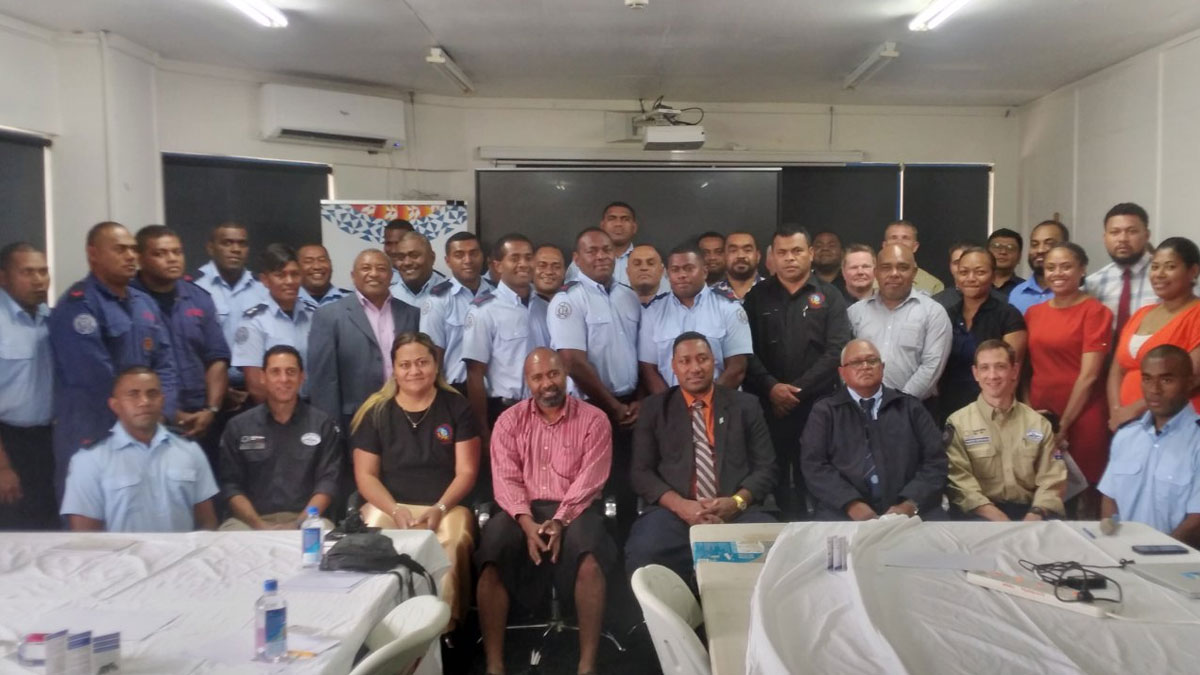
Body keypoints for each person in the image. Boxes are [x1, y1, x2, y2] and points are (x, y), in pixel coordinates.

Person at [475, 348, 615, 675]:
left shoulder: (594, 419)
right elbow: (506, 479)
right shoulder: (509, 421)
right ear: (527, 382)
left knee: (589, 559)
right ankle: (494, 664)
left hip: (575, 509)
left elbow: (591, 479)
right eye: (537, 377)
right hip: (521, 510)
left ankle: (586, 665)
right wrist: (526, 524)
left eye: (553, 374)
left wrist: (560, 519)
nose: (547, 383)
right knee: (492, 551)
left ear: (564, 374)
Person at [352, 332, 480, 630]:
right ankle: (378, 626)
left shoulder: (457, 407)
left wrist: (440, 507)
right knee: (372, 529)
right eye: (405, 365)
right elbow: (365, 476)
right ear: (394, 369)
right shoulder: (376, 411)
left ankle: (442, 628)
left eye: (422, 362)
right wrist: (395, 510)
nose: (414, 371)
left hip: (445, 506)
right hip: (391, 505)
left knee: (456, 538)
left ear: (435, 365)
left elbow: (467, 472)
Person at [626, 332, 777, 584]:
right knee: (644, 551)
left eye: (702, 359)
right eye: (685, 361)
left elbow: (767, 468)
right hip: (674, 512)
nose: (695, 368)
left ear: (713, 361)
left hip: (739, 510)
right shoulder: (654, 408)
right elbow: (641, 473)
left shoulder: (746, 405)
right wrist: (682, 507)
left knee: (771, 550)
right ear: (673, 367)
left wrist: (736, 502)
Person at [49, 222, 178, 495]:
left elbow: (165, 363)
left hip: (147, 431)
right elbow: (95, 377)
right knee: (90, 514)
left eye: (133, 249)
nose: (131, 256)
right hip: (95, 432)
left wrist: (161, 413)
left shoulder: (144, 302)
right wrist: (140, 415)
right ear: (93, 254)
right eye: (120, 249)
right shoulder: (79, 305)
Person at [742, 224, 851, 518]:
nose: (790, 258)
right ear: (772, 257)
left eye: (797, 251)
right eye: (782, 252)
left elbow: (837, 351)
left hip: (816, 406)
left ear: (811, 253)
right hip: (768, 406)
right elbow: (745, 350)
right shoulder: (756, 296)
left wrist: (795, 392)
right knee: (771, 480)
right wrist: (772, 388)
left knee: (815, 478)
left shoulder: (830, 296)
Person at [549, 227, 642, 534]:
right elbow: (572, 361)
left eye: (606, 250)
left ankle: (626, 549)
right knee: (591, 489)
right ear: (577, 258)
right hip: (589, 408)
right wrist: (613, 406)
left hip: (631, 407)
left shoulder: (629, 296)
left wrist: (639, 400)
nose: (601, 256)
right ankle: (594, 550)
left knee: (629, 485)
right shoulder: (568, 300)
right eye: (592, 251)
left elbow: (641, 354)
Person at [800, 339, 947, 520]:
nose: (865, 367)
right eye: (856, 362)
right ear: (842, 372)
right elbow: (814, 466)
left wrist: (910, 504)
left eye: (872, 361)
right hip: (842, 511)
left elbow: (936, 462)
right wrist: (851, 504)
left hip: (910, 511)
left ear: (882, 367)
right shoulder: (825, 411)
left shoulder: (910, 407)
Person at [60, 367, 218, 532]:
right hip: (118, 550)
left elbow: (207, 524)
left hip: (182, 549)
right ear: (115, 405)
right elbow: (85, 536)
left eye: (152, 394)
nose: (145, 402)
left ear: (162, 400)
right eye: (133, 394)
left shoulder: (189, 450)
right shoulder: (89, 460)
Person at [462, 234, 551, 500]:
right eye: (515, 258)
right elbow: (475, 374)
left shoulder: (545, 306)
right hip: (505, 411)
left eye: (528, 257)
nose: (524, 264)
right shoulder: (484, 311)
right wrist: (483, 430)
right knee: (508, 491)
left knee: (543, 486)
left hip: (546, 411)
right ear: (497, 265)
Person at [131, 226, 230, 463]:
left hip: (202, 419)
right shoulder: (128, 301)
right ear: (140, 259)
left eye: (177, 252)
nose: (172, 259)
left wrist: (211, 410)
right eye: (161, 253)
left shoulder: (199, 297)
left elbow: (216, 359)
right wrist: (170, 413)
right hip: (148, 420)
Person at [1025, 243, 1112, 505]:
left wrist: (1063, 426)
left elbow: (1089, 376)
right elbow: (1026, 369)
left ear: (1082, 269)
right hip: (1041, 413)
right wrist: (1029, 413)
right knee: (1044, 489)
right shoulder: (1033, 313)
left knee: (1084, 493)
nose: (1057, 273)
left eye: (1066, 267)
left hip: (1083, 414)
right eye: (1051, 267)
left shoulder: (1095, 312)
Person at [219, 346, 341, 530]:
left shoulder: (322, 425)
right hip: (248, 521)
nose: (284, 379)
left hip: (307, 519)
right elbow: (230, 486)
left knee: (324, 533)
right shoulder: (238, 426)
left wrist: (298, 523)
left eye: (291, 372)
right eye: (275, 372)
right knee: (228, 538)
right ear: (263, 377)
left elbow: (327, 484)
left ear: (302, 377)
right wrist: (259, 525)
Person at [945, 340, 1065, 521]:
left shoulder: (1038, 423)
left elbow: (1052, 478)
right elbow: (959, 482)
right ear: (975, 373)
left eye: (1000, 367)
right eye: (985, 368)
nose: (992, 375)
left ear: (1014, 371)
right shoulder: (958, 423)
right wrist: (998, 518)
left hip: (1031, 513)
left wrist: (1036, 514)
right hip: (980, 514)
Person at [1099, 345, 1200, 548]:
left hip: (1179, 558)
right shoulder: (1126, 436)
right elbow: (1110, 498)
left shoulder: (1196, 441)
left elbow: (1196, 521)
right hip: (1122, 554)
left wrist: (1155, 553)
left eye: (1166, 380)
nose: (1154, 390)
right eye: (1147, 379)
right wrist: (1114, 546)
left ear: (1189, 383)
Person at [308, 249, 421, 429]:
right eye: (366, 268)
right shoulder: (329, 316)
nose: (374, 274)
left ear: (391, 276)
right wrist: (330, 429)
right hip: (355, 421)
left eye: (381, 268)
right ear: (353, 276)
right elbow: (324, 382)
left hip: (405, 416)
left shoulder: (411, 314)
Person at [1107, 237, 1200, 430]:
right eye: (1155, 267)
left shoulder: (1196, 313)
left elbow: (1191, 375)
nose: (1159, 274)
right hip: (1127, 424)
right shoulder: (1141, 313)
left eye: (1170, 267)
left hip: (1176, 423)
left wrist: (1133, 410)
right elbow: (1117, 369)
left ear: (1193, 271)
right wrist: (1117, 411)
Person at [638, 243, 751, 393]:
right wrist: (672, 403)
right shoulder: (652, 313)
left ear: (704, 272)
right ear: (667, 274)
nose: (682, 275)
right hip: (671, 404)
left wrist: (707, 402)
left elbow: (737, 368)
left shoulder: (729, 309)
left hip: (721, 402)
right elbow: (648, 369)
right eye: (675, 270)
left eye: (689, 268)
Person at [848, 244, 952, 402]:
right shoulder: (855, 312)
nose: (894, 274)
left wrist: (899, 404)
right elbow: (845, 362)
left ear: (914, 272)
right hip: (860, 406)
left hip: (914, 408)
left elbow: (932, 366)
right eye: (886, 268)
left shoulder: (933, 312)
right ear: (876, 272)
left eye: (903, 268)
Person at [934, 247, 1027, 423]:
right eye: (964, 272)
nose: (971, 278)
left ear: (993, 276)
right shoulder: (946, 314)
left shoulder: (1008, 315)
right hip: (948, 408)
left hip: (993, 410)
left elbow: (1009, 371)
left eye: (980, 272)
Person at [0, 242, 56, 530]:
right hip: (9, 442)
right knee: (14, 532)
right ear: (3, 277)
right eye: (28, 272)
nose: (38, 280)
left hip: (48, 440)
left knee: (49, 526)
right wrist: (3, 466)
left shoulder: (52, 319)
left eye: (43, 271)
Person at [191, 222, 268, 396]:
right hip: (209, 389)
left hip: (256, 389)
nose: (236, 249)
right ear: (210, 248)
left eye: (242, 244)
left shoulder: (263, 288)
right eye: (227, 243)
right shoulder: (194, 287)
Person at [232, 244, 315, 404]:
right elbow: (255, 386)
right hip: (273, 410)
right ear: (265, 280)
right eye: (280, 275)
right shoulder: (254, 321)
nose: (289, 281)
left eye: (295, 274)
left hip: (313, 408)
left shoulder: (314, 315)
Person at [421, 232, 492, 393]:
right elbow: (432, 356)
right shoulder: (437, 300)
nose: (468, 260)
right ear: (448, 261)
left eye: (473, 253)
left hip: (497, 391)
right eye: (459, 255)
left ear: (482, 256)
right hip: (457, 391)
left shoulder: (497, 293)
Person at [1086, 203, 1158, 335]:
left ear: (1147, 235)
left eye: (1132, 231)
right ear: (1105, 238)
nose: (1123, 239)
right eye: (1115, 232)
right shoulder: (1093, 283)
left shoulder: (1166, 278)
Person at [566, 201, 668, 294]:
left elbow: (664, 293)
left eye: (625, 219)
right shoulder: (583, 261)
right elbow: (571, 294)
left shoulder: (649, 260)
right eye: (612, 218)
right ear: (602, 225)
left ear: (634, 227)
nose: (618, 224)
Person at [1009, 220, 1069, 315]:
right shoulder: (1017, 294)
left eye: (1049, 243)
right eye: (1034, 244)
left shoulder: (1076, 292)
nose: (1040, 250)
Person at [882, 220, 944, 295]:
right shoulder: (871, 280)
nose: (899, 242)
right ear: (884, 245)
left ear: (915, 246)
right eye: (894, 238)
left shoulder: (933, 286)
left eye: (905, 238)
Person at [388, 230, 447, 306]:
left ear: (432, 257)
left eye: (414, 255)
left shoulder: (451, 292)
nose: (407, 263)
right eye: (401, 257)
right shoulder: (387, 296)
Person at [713, 231, 764, 301]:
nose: (740, 256)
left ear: (758, 256)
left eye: (747, 250)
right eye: (733, 250)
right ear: (724, 257)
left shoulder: (773, 291)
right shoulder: (711, 295)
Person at [986, 229, 1026, 296]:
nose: (1003, 252)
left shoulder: (1027, 289)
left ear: (1019, 257)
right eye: (997, 247)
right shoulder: (974, 285)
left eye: (1010, 248)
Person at [812, 230, 848, 298]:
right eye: (818, 246)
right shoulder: (802, 285)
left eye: (832, 245)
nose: (825, 248)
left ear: (842, 253)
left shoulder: (852, 283)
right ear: (810, 253)